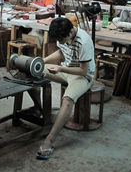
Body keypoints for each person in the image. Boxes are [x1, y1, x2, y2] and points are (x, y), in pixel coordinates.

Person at [34, 17, 95, 160]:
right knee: (34, 69)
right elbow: (62, 52)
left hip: (82, 76)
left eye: (61, 39)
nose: (59, 42)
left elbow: (84, 71)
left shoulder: (83, 42)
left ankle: (49, 141)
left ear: (69, 32)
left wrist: (61, 68)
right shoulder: (63, 35)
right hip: (66, 69)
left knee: (67, 100)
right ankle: (40, 110)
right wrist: (43, 61)